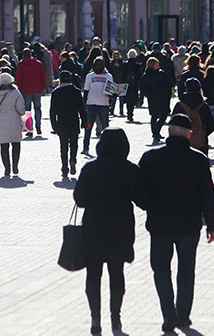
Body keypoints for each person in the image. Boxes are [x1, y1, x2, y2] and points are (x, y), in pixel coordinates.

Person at [139, 114, 214, 332]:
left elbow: (140, 190)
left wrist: (149, 206)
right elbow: (207, 195)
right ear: (190, 135)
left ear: (169, 131)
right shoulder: (199, 159)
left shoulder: (150, 158)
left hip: (159, 224)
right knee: (186, 271)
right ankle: (183, 316)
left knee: (160, 269)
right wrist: (211, 223)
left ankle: (169, 314)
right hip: (189, 225)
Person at [74, 128, 149, 335]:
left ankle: (95, 320)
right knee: (117, 273)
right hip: (120, 228)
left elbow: (80, 200)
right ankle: (116, 319)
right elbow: (143, 201)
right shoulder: (131, 170)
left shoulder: (90, 169)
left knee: (93, 275)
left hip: (94, 227)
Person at [49, 70, 87, 177]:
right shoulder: (76, 91)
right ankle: (73, 160)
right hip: (74, 121)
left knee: (63, 146)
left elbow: (52, 111)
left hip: (62, 122)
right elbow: (82, 109)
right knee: (74, 143)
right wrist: (84, 121)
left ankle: (64, 167)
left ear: (60, 81)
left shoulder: (55, 93)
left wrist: (54, 126)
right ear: (70, 79)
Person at [0, 72, 24, 177]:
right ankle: (15, 165)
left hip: (1, 120)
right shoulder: (16, 93)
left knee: (4, 145)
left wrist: (0, 114)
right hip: (14, 120)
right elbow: (21, 109)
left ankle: (7, 168)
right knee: (16, 143)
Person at [82, 58, 113, 155]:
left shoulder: (108, 76)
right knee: (88, 128)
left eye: (100, 65)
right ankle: (85, 148)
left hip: (104, 105)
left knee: (105, 128)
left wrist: (113, 94)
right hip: (91, 105)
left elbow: (111, 90)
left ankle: (108, 148)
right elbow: (86, 91)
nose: (98, 66)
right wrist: (84, 104)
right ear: (94, 66)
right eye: (96, 65)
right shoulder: (89, 76)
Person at [139, 57, 173, 144]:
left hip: (163, 98)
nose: (158, 65)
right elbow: (142, 87)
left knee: (164, 115)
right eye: (156, 64)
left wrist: (169, 93)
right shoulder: (146, 75)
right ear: (151, 65)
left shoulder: (162, 73)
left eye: (158, 64)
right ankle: (155, 134)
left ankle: (157, 131)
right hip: (153, 99)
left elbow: (167, 84)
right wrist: (149, 95)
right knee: (154, 116)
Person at [15, 48, 46, 137]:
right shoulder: (38, 63)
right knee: (38, 108)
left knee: (27, 111)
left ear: (23, 55)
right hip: (37, 90)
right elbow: (43, 76)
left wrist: (19, 89)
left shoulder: (21, 64)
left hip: (25, 90)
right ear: (31, 54)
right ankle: (38, 126)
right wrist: (42, 88)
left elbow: (19, 78)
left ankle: (29, 129)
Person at [120, 49, 142, 122]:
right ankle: (131, 113)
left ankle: (128, 113)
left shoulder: (125, 64)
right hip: (134, 84)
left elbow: (122, 75)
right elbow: (139, 76)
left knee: (128, 100)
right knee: (132, 100)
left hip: (127, 84)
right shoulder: (137, 65)